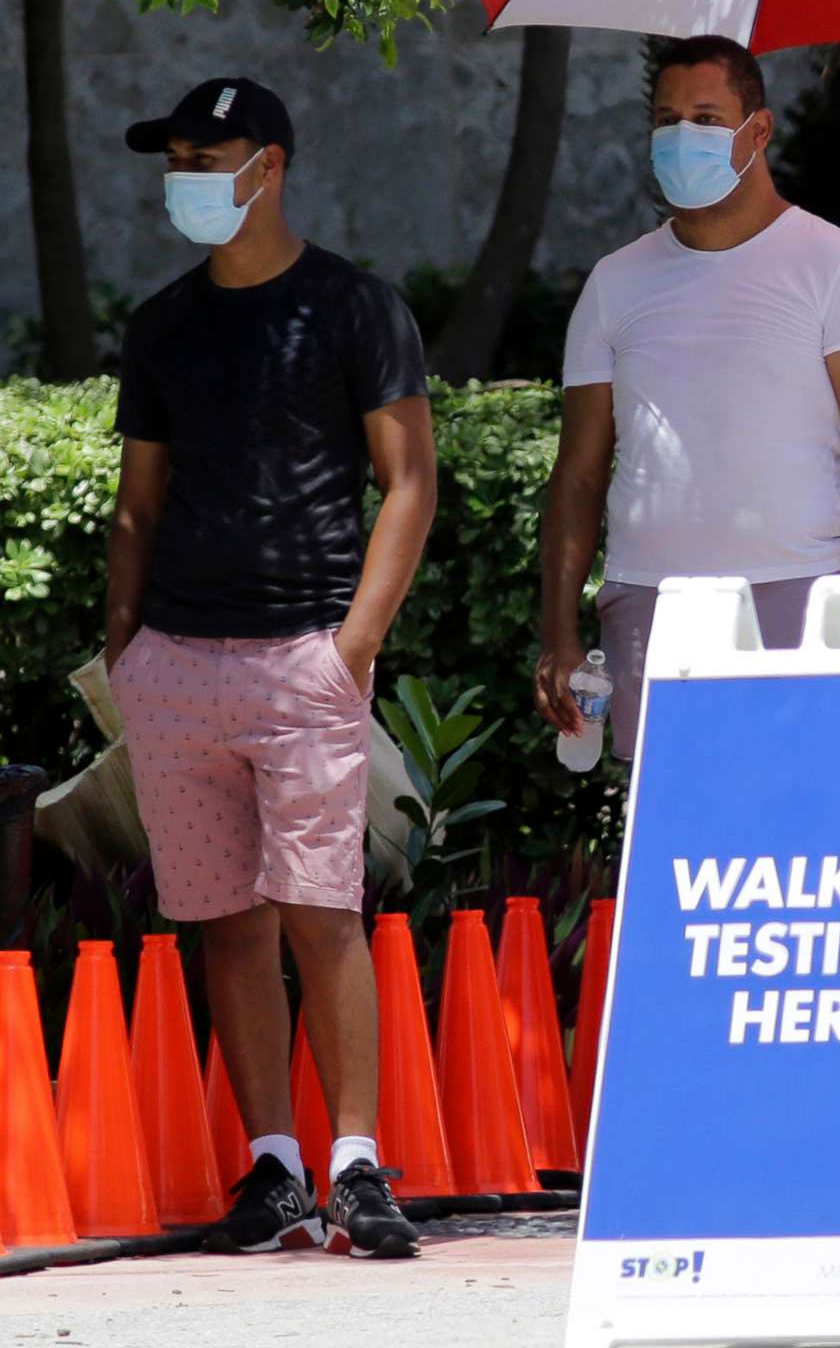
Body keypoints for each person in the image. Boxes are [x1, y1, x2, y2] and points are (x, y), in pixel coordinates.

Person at [106, 78, 436, 1257]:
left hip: (305, 654)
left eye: (210, 153)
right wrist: (126, 643)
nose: (187, 173)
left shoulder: (355, 306)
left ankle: (356, 1166)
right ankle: (275, 1168)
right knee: (227, 924)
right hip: (177, 666)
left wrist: (354, 647)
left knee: (320, 915)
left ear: (272, 164)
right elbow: (138, 501)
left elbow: (410, 479)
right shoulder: (163, 324)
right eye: (174, 156)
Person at [534, 36, 840, 757]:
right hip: (649, 608)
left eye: (707, 118)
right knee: (672, 836)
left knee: (805, 831)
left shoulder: (835, 265)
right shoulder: (615, 281)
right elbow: (578, 472)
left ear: (758, 130)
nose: (683, 137)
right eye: (667, 119)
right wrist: (558, 632)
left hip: (801, 596)